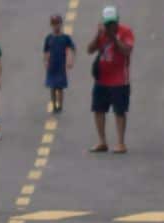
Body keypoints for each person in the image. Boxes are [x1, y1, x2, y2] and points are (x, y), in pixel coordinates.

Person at [87, 6, 134, 154]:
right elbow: (89, 50)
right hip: (102, 78)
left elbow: (127, 50)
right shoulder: (101, 33)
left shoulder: (125, 32)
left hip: (120, 79)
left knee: (119, 111)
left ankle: (121, 143)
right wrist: (97, 35)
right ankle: (102, 141)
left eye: (112, 23)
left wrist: (114, 38)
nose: (110, 26)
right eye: (108, 23)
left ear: (117, 21)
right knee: (98, 109)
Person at [43, 14, 76, 115]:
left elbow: (72, 48)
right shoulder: (49, 38)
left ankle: (60, 106)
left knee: (60, 88)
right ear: (51, 25)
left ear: (61, 24)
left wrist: (70, 60)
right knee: (52, 87)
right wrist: (45, 61)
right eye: (53, 24)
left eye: (57, 23)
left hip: (61, 66)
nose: (56, 26)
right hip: (52, 66)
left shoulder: (65, 38)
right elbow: (45, 51)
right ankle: (54, 105)